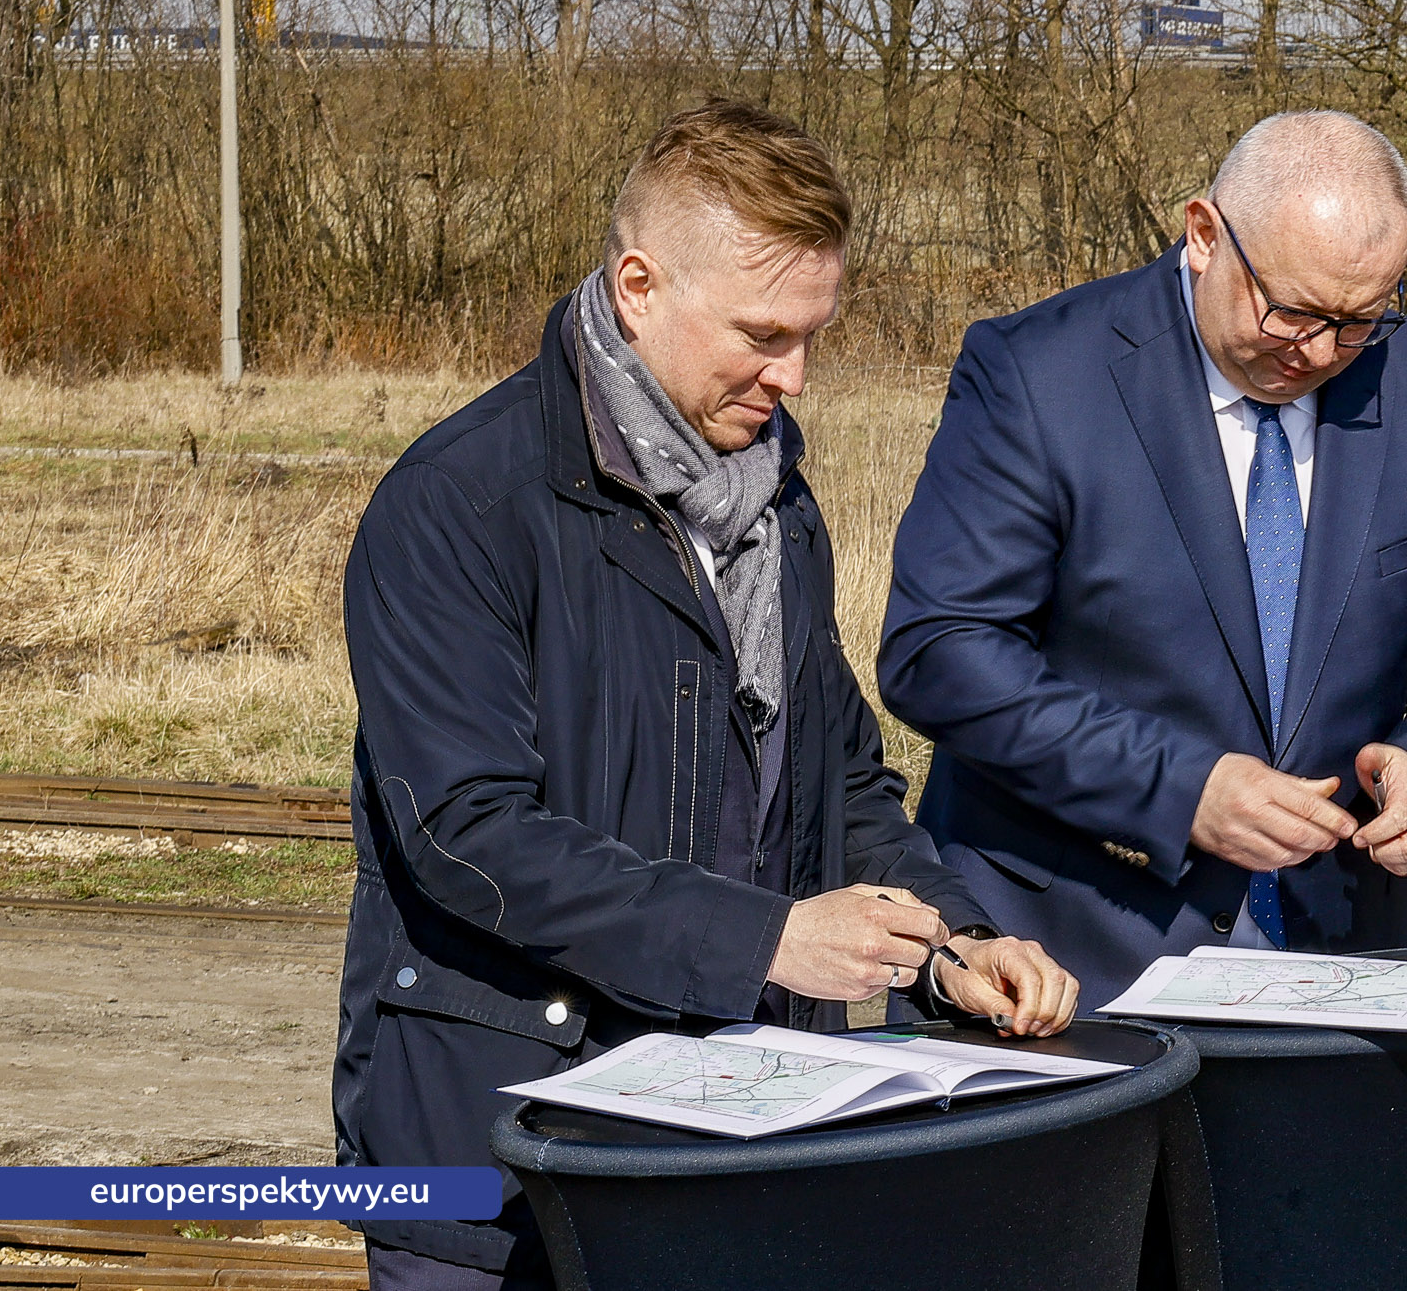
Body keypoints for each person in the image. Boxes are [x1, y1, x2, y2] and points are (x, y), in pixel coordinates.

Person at [334, 100, 1078, 1291]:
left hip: (731, 1143)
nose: (794, 375)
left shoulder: (777, 509)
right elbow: (466, 835)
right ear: (638, 285)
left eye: (813, 335)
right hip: (500, 1165)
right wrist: (768, 939)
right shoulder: (457, 506)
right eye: (762, 334)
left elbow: (836, 786)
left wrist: (949, 943)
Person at [877, 110, 1407, 1006]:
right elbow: (940, 652)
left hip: (1336, 958)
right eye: (1291, 310)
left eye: (1357, 322)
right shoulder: (1040, 375)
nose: (1316, 351)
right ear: (1203, 235)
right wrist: (1179, 789)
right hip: (1071, 959)